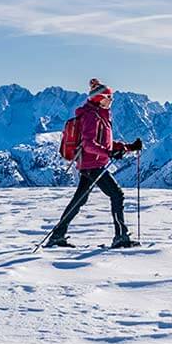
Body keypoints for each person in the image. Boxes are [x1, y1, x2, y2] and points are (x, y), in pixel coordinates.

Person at [46, 78, 143, 249]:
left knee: (79, 200)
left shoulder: (100, 115)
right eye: (108, 97)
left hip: (90, 165)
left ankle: (57, 236)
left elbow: (106, 143)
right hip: (93, 165)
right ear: (99, 98)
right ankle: (121, 237)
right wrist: (109, 153)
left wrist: (128, 147)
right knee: (117, 195)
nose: (111, 100)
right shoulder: (92, 116)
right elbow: (89, 144)